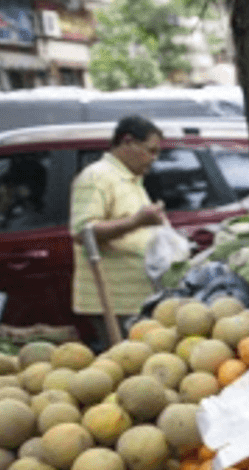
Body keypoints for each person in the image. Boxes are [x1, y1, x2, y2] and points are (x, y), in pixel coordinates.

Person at [69, 115, 166, 346]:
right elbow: (82, 232)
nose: (154, 159)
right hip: (113, 301)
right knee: (128, 364)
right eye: (150, 151)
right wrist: (137, 222)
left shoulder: (131, 178)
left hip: (137, 297)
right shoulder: (96, 177)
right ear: (128, 142)